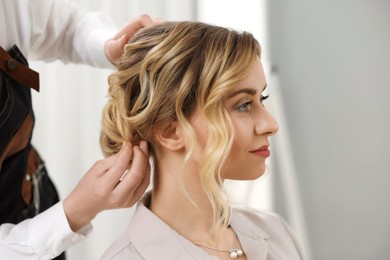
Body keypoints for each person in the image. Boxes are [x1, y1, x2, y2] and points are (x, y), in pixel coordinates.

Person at [99, 21, 304, 260]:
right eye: (244, 105)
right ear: (170, 132)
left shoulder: (277, 232)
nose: (271, 124)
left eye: (262, 98)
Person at [0, 0, 155, 259]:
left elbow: (63, 28)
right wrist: (78, 208)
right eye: (241, 105)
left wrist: (110, 45)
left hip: (29, 193)